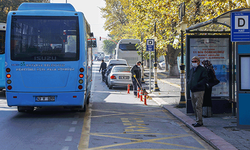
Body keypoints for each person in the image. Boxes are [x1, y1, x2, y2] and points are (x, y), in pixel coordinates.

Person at [187, 56, 208, 127]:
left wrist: (198, 84)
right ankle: (197, 120)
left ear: (199, 62)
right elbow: (189, 77)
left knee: (198, 106)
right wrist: (189, 84)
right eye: (193, 61)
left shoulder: (202, 70)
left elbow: (205, 79)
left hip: (199, 90)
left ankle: (199, 121)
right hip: (192, 90)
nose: (194, 63)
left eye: (195, 61)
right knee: (194, 106)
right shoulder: (192, 70)